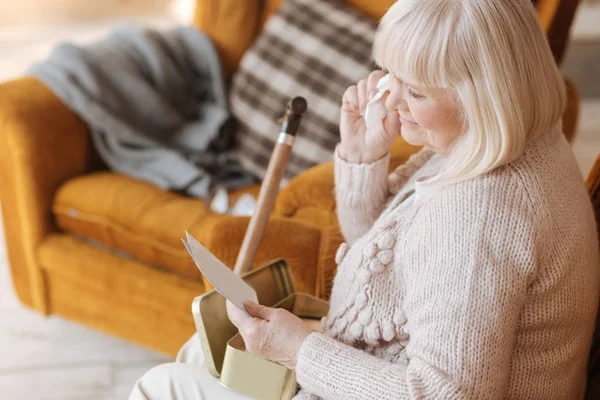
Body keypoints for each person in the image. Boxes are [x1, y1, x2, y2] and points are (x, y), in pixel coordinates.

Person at [129, 0, 600, 398]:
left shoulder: (480, 213)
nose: (389, 98)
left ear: (485, 96)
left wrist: (299, 350)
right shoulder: (503, 139)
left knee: (163, 384)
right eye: (388, 73)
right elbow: (386, 257)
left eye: (413, 90)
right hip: (366, 365)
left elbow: (445, 394)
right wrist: (362, 158)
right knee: (201, 349)